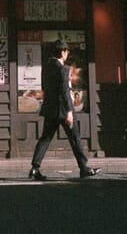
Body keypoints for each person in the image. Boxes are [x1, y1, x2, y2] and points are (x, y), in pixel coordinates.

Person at [29, 40, 98, 180]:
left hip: (50, 108)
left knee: (45, 138)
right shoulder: (63, 69)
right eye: (66, 51)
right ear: (62, 52)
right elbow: (65, 91)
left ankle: (35, 168)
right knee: (75, 138)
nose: (67, 54)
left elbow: (44, 87)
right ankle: (83, 168)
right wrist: (69, 112)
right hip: (63, 109)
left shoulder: (47, 67)